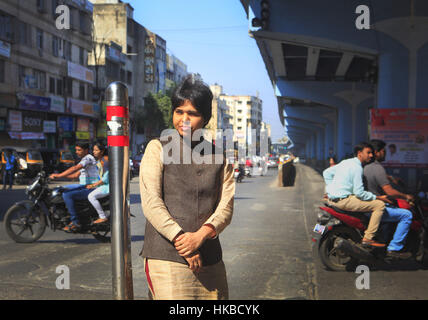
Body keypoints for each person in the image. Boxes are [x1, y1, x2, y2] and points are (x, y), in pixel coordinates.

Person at [139, 75, 235, 300]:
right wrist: (183, 241)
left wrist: (201, 236)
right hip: (166, 257)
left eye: (192, 113)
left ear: (206, 118)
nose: (184, 119)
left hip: (210, 258)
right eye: (179, 111)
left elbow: (226, 207)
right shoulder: (157, 148)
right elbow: (151, 201)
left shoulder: (219, 157)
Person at [323, 142, 390, 247]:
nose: (371, 155)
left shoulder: (346, 162)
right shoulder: (357, 168)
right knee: (379, 205)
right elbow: (359, 193)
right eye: (368, 153)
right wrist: (378, 197)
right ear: (359, 153)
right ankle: (368, 238)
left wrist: (330, 190)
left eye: (372, 153)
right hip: (344, 201)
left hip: (332, 200)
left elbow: (326, 173)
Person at [364, 140, 413, 259]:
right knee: (407, 215)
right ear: (377, 152)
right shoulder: (378, 168)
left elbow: (380, 179)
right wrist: (406, 196)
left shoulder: (366, 166)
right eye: (383, 151)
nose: (385, 154)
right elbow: (389, 191)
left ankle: (384, 240)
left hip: (367, 205)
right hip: (375, 208)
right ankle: (394, 248)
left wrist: (391, 178)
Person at [49, 142, 99, 231]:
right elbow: (75, 175)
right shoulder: (85, 160)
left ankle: (75, 221)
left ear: (86, 150)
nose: (76, 152)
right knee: (60, 189)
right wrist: (58, 177)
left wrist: (59, 175)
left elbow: (75, 168)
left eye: (79, 150)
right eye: (76, 150)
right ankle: (67, 212)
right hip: (84, 185)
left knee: (67, 195)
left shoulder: (88, 158)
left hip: (90, 187)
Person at [87, 143, 109, 224]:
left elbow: (105, 178)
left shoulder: (105, 161)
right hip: (103, 185)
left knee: (91, 196)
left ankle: (102, 216)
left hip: (108, 186)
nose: (94, 152)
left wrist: (93, 185)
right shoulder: (99, 160)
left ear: (102, 151)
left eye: (96, 150)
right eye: (93, 150)